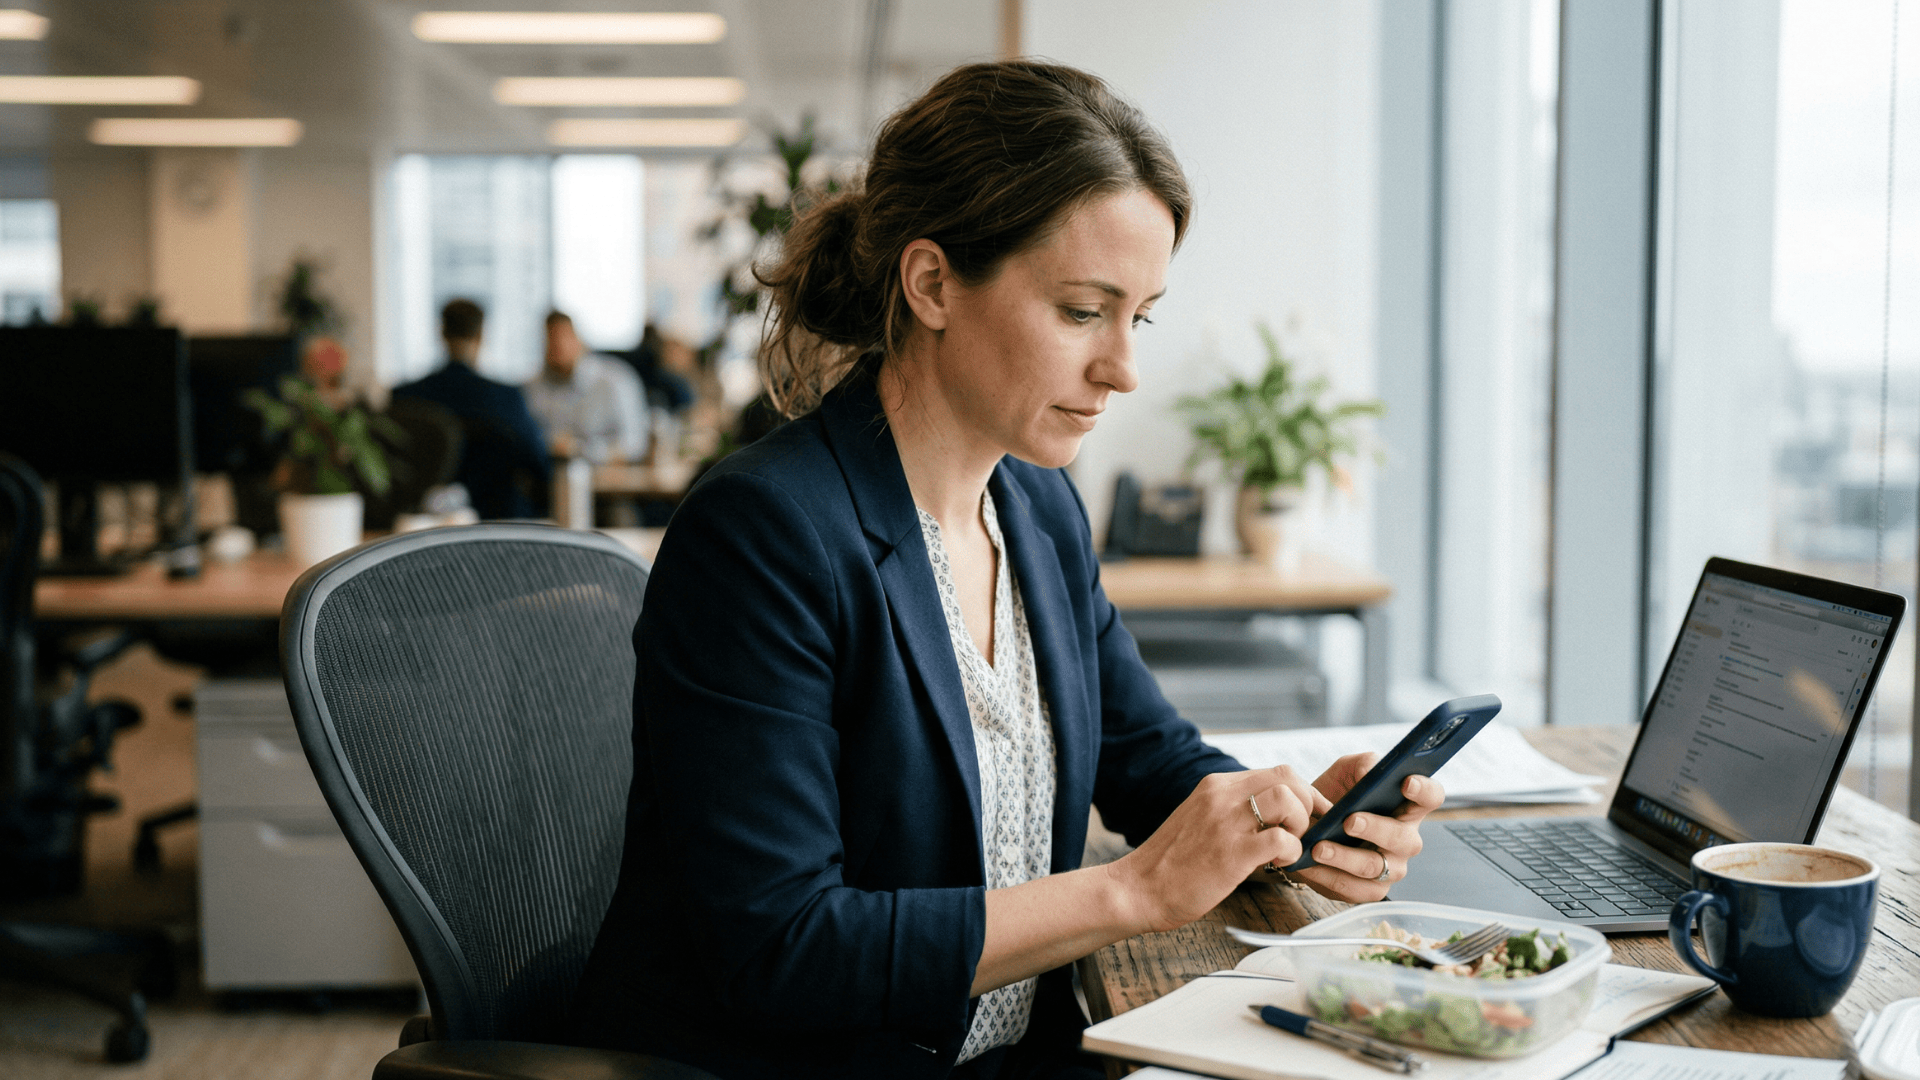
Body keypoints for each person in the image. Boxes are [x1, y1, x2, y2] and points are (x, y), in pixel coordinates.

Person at [570, 61, 1444, 1080]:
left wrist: (1286, 824)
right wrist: (1131, 892)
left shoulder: (1036, 508)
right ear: (932, 284)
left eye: (1139, 316)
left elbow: (1149, 756)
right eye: (1081, 312)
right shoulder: (763, 535)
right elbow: (783, 948)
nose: (1123, 367)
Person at [390, 299, 550, 519]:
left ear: (442, 332)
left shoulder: (404, 396)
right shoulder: (506, 398)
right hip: (499, 520)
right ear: (481, 335)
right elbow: (539, 464)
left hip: (424, 524)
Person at [524, 310, 649, 464]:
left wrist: (581, 450)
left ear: (579, 339)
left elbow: (635, 444)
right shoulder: (533, 384)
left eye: (563, 338)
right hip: (548, 470)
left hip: (604, 473)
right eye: (550, 340)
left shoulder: (616, 380)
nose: (557, 347)